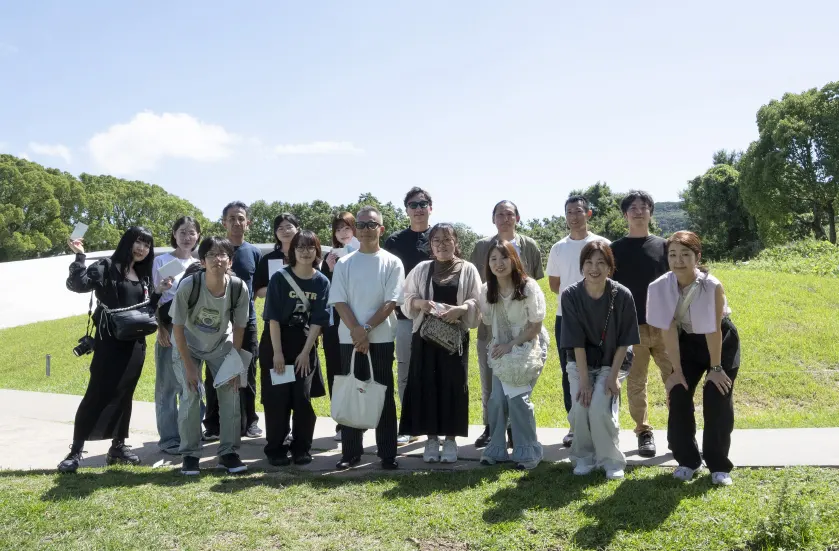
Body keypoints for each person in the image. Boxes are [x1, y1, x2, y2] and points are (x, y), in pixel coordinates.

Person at [59, 227, 170, 473]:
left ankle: (118, 447)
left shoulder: (142, 274)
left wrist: (158, 291)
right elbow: (77, 285)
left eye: (147, 245)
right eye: (138, 242)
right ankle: (76, 451)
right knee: (97, 393)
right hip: (108, 341)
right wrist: (80, 257)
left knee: (124, 394)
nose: (142, 249)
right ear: (127, 242)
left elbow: (145, 309)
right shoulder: (106, 266)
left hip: (135, 345)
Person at [647, 231, 741, 486]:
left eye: (685, 255)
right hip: (686, 340)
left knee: (716, 394)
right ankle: (687, 460)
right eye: (673, 254)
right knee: (678, 391)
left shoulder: (712, 286)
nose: (678, 260)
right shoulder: (659, 287)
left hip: (720, 340)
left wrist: (717, 367)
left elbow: (713, 330)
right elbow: (667, 330)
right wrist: (675, 371)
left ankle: (719, 465)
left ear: (697, 257)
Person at [328, 206, 405, 470]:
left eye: (371, 225)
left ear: (381, 229)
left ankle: (387, 453)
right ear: (356, 230)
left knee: (382, 392)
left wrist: (366, 330)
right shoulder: (345, 264)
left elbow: (391, 302)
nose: (366, 229)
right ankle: (350, 452)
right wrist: (356, 331)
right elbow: (338, 300)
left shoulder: (392, 262)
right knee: (353, 392)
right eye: (361, 225)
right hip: (349, 338)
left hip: (381, 337)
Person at [399, 223, 482, 463]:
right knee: (425, 385)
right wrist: (420, 304)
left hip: (454, 340)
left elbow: (478, 302)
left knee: (453, 386)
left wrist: (462, 309)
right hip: (425, 337)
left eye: (447, 240)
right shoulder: (422, 268)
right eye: (436, 241)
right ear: (430, 245)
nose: (442, 245)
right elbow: (405, 298)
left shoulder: (468, 269)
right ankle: (431, 439)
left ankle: (451, 439)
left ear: (456, 242)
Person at [170, 236, 250, 475]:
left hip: (221, 345)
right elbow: (177, 327)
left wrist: (234, 363)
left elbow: (239, 327)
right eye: (211, 255)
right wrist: (189, 367)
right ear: (202, 261)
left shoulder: (238, 287)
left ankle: (228, 453)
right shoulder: (189, 286)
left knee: (231, 395)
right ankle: (190, 455)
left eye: (222, 254)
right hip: (188, 346)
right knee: (191, 396)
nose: (217, 259)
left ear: (230, 261)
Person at [561, 241, 639, 480]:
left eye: (600, 263)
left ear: (609, 267)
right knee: (580, 406)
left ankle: (610, 460)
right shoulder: (571, 295)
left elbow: (626, 340)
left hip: (612, 362)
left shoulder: (622, 295)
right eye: (588, 262)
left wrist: (613, 377)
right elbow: (576, 342)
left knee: (599, 409)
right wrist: (584, 381)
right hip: (580, 362)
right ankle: (583, 457)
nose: (594, 268)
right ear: (581, 266)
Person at [470, 200, 544, 448]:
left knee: (518, 386)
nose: (504, 218)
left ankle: (516, 432)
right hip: (491, 329)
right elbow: (478, 288)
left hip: (524, 330)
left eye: (509, 214)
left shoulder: (529, 246)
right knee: (490, 383)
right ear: (493, 219)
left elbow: (536, 286)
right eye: (499, 214)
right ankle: (491, 429)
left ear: (517, 218)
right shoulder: (481, 246)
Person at [610, 190, 672, 457]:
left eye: (644, 206)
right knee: (636, 383)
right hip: (632, 327)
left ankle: (681, 429)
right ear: (625, 214)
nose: (638, 211)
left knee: (676, 378)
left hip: (665, 326)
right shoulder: (614, 249)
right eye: (632, 207)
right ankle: (643, 432)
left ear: (650, 213)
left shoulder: (666, 246)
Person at [261, 231, 329, 466]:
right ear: (292, 250)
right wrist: (277, 353)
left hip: (304, 342)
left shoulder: (321, 281)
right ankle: (276, 448)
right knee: (278, 398)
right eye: (300, 247)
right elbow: (273, 319)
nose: (305, 251)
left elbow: (319, 320)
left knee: (302, 398)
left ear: (317, 251)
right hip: (276, 341)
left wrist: (305, 352)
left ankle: (302, 448)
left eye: (310, 247)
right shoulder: (280, 278)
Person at [546, 196, 609, 448]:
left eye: (579, 211)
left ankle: (600, 424)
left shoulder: (602, 243)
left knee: (600, 371)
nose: (574, 216)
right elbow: (554, 285)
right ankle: (575, 425)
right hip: (567, 319)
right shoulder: (558, 247)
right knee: (569, 372)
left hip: (599, 317)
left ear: (589, 214)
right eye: (569, 212)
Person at [478, 240, 548, 470]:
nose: (499, 264)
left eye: (504, 258)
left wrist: (511, 345)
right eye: (493, 259)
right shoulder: (487, 289)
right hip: (501, 348)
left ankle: (528, 451)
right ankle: (496, 449)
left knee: (518, 399)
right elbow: (489, 324)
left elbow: (535, 328)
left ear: (514, 259)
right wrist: (502, 346)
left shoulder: (528, 287)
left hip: (529, 346)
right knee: (497, 399)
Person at [204, 201, 263, 441]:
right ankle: (213, 423)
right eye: (232, 218)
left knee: (247, 370)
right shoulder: (215, 249)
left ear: (247, 222)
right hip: (216, 322)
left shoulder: (254, 253)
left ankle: (250, 421)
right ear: (224, 222)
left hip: (246, 321)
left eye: (241, 218)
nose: (237, 222)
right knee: (213, 372)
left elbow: (259, 288)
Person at [384, 187, 434, 446]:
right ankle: (410, 423)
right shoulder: (394, 241)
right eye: (413, 205)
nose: (418, 209)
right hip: (404, 317)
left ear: (430, 208)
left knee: (433, 371)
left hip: (435, 318)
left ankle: (434, 425)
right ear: (406, 210)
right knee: (405, 370)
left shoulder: (440, 236)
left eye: (423, 204)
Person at [152, 216, 201, 455]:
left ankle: (190, 432)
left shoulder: (200, 262)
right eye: (182, 232)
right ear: (174, 234)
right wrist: (160, 326)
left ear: (198, 236)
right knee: (168, 385)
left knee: (191, 382)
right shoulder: (161, 260)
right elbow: (153, 296)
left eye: (191, 233)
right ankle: (169, 438)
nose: (186, 237)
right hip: (168, 327)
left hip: (194, 330)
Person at [320, 212, 357, 441]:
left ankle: (359, 417)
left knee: (356, 368)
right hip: (334, 323)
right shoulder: (329, 257)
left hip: (358, 321)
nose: (343, 233)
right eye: (338, 229)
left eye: (347, 228)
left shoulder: (363, 253)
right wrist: (331, 270)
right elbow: (327, 292)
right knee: (336, 369)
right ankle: (342, 421)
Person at [253, 213, 300, 300]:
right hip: (276, 311)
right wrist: (277, 287)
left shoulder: (306, 255)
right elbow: (259, 292)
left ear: (297, 229)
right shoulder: (268, 259)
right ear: (275, 232)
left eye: (289, 227)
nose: (285, 231)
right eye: (280, 228)